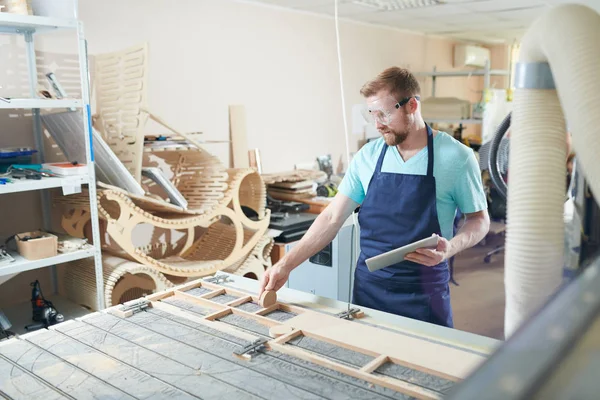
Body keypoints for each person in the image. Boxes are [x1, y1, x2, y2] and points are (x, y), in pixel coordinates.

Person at [259, 67, 490, 328]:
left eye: (385, 113)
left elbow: (479, 220)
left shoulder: (456, 157)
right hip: (370, 288)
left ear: (412, 105)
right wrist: (286, 265)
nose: (378, 123)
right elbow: (332, 217)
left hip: (424, 290)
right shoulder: (368, 157)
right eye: (372, 114)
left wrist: (452, 247)